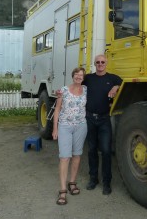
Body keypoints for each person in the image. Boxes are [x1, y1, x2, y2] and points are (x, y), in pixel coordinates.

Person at [84, 54, 122, 195]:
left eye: (102, 62)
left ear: (106, 63)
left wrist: (116, 87)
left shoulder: (113, 78)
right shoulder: (88, 78)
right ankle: (93, 179)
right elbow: (76, 85)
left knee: (106, 151)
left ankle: (107, 182)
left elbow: (122, 83)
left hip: (104, 119)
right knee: (91, 150)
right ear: (95, 64)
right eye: (97, 62)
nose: (100, 64)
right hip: (89, 119)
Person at [52, 67, 87, 206]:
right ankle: (62, 190)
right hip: (65, 126)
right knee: (65, 157)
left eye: (81, 75)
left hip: (81, 126)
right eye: (76, 75)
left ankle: (72, 182)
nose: (78, 77)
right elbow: (57, 109)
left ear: (84, 78)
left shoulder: (86, 90)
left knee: (77, 155)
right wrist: (55, 128)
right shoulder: (64, 91)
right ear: (73, 76)